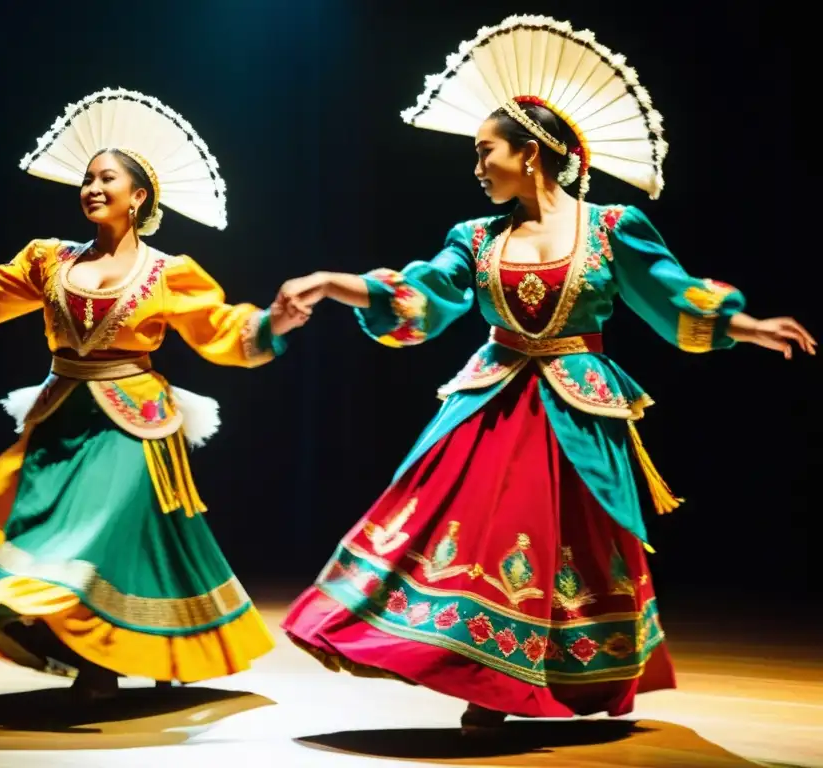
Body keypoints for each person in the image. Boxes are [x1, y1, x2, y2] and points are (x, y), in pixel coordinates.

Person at [276, 16, 815, 731]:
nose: (476, 167)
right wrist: (332, 283)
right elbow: (421, 296)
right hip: (491, 403)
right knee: (473, 537)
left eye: (486, 152)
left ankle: (541, 677)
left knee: (559, 550)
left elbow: (670, 292)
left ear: (530, 154)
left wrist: (746, 325)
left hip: (574, 411)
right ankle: (481, 678)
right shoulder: (474, 238)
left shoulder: (610, 227)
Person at [0, 88, 309, 698]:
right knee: (39, 527)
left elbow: (220, 329)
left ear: (139, 196)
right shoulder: (49, 260)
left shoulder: (169, 271)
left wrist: (272, 323)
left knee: (103, 535)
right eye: (88, 178)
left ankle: (100, 665)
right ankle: (91, 650)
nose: (92, 187)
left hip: (133, 422)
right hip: (62, 418)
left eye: (107, 178)